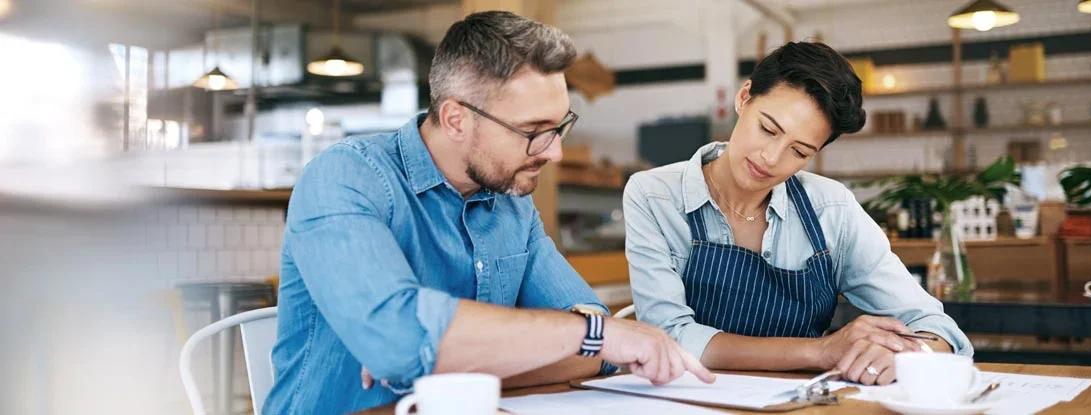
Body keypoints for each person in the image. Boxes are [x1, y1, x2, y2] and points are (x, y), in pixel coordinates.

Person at [264, 11, 713, 414]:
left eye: (560, 127)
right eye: (534, 131)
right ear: (456, 119)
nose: (555, 152)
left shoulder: (513, 206)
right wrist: (585, 334)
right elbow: (398, 341)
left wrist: (441, 362)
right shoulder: (345, 178)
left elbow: (593, 348)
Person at [623, 41, 972, 387]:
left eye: (799, 151)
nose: (772, 158)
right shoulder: (654, 195)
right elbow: (666, 336)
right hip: (684, 400)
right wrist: (820, 352)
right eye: (768, 129)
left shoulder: (830, 209)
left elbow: (936, 327)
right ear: (744, 98)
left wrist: (907, 354)